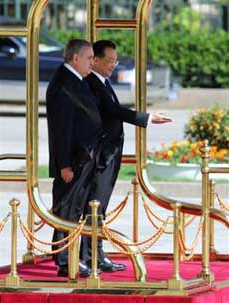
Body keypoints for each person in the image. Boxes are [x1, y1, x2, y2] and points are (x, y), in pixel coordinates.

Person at [80, 40, 172, 272]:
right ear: (95, 60)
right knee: (94, 208)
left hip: (109, 155)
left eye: (115, 61)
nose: (113, 65)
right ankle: (89, 257)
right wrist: (146, 118)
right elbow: (112, 111)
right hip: (99, 157)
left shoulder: (104, 82)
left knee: (99, 209)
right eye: (109, 61)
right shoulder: (91, 83)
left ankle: (96, 255)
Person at [46, 39, 106, 278]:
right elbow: (62, 130)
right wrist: (65, 165)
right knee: (66, 211)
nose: (93, 62)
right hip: (72, 162)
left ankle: (72, 257)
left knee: (75, 210)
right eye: (90, 57)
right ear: (76, 58)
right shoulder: (64, 84)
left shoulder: (75, 80)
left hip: (82, 158)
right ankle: (64, 261)